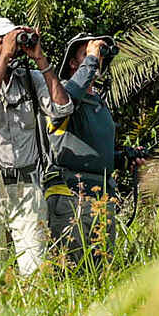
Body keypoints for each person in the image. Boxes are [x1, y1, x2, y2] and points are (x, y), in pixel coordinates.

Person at [0, 17, 73, 276]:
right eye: (4, 40)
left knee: (36, 267)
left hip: (27, 187)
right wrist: (5, 58)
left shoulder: (32, 79)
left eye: (15, 38)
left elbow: (63, 108)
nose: (13, 44)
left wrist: (41, 59)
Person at [48, 33, 121, 266]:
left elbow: (94, 153)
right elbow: (68, 100)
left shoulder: (99, 102)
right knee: (70, 269)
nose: (95, 57)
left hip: (101, 197)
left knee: (99, 273)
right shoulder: (63, 96)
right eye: (86, 53)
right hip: (71, 197)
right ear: (73, 63)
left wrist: (123, 158)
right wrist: (90, 60)